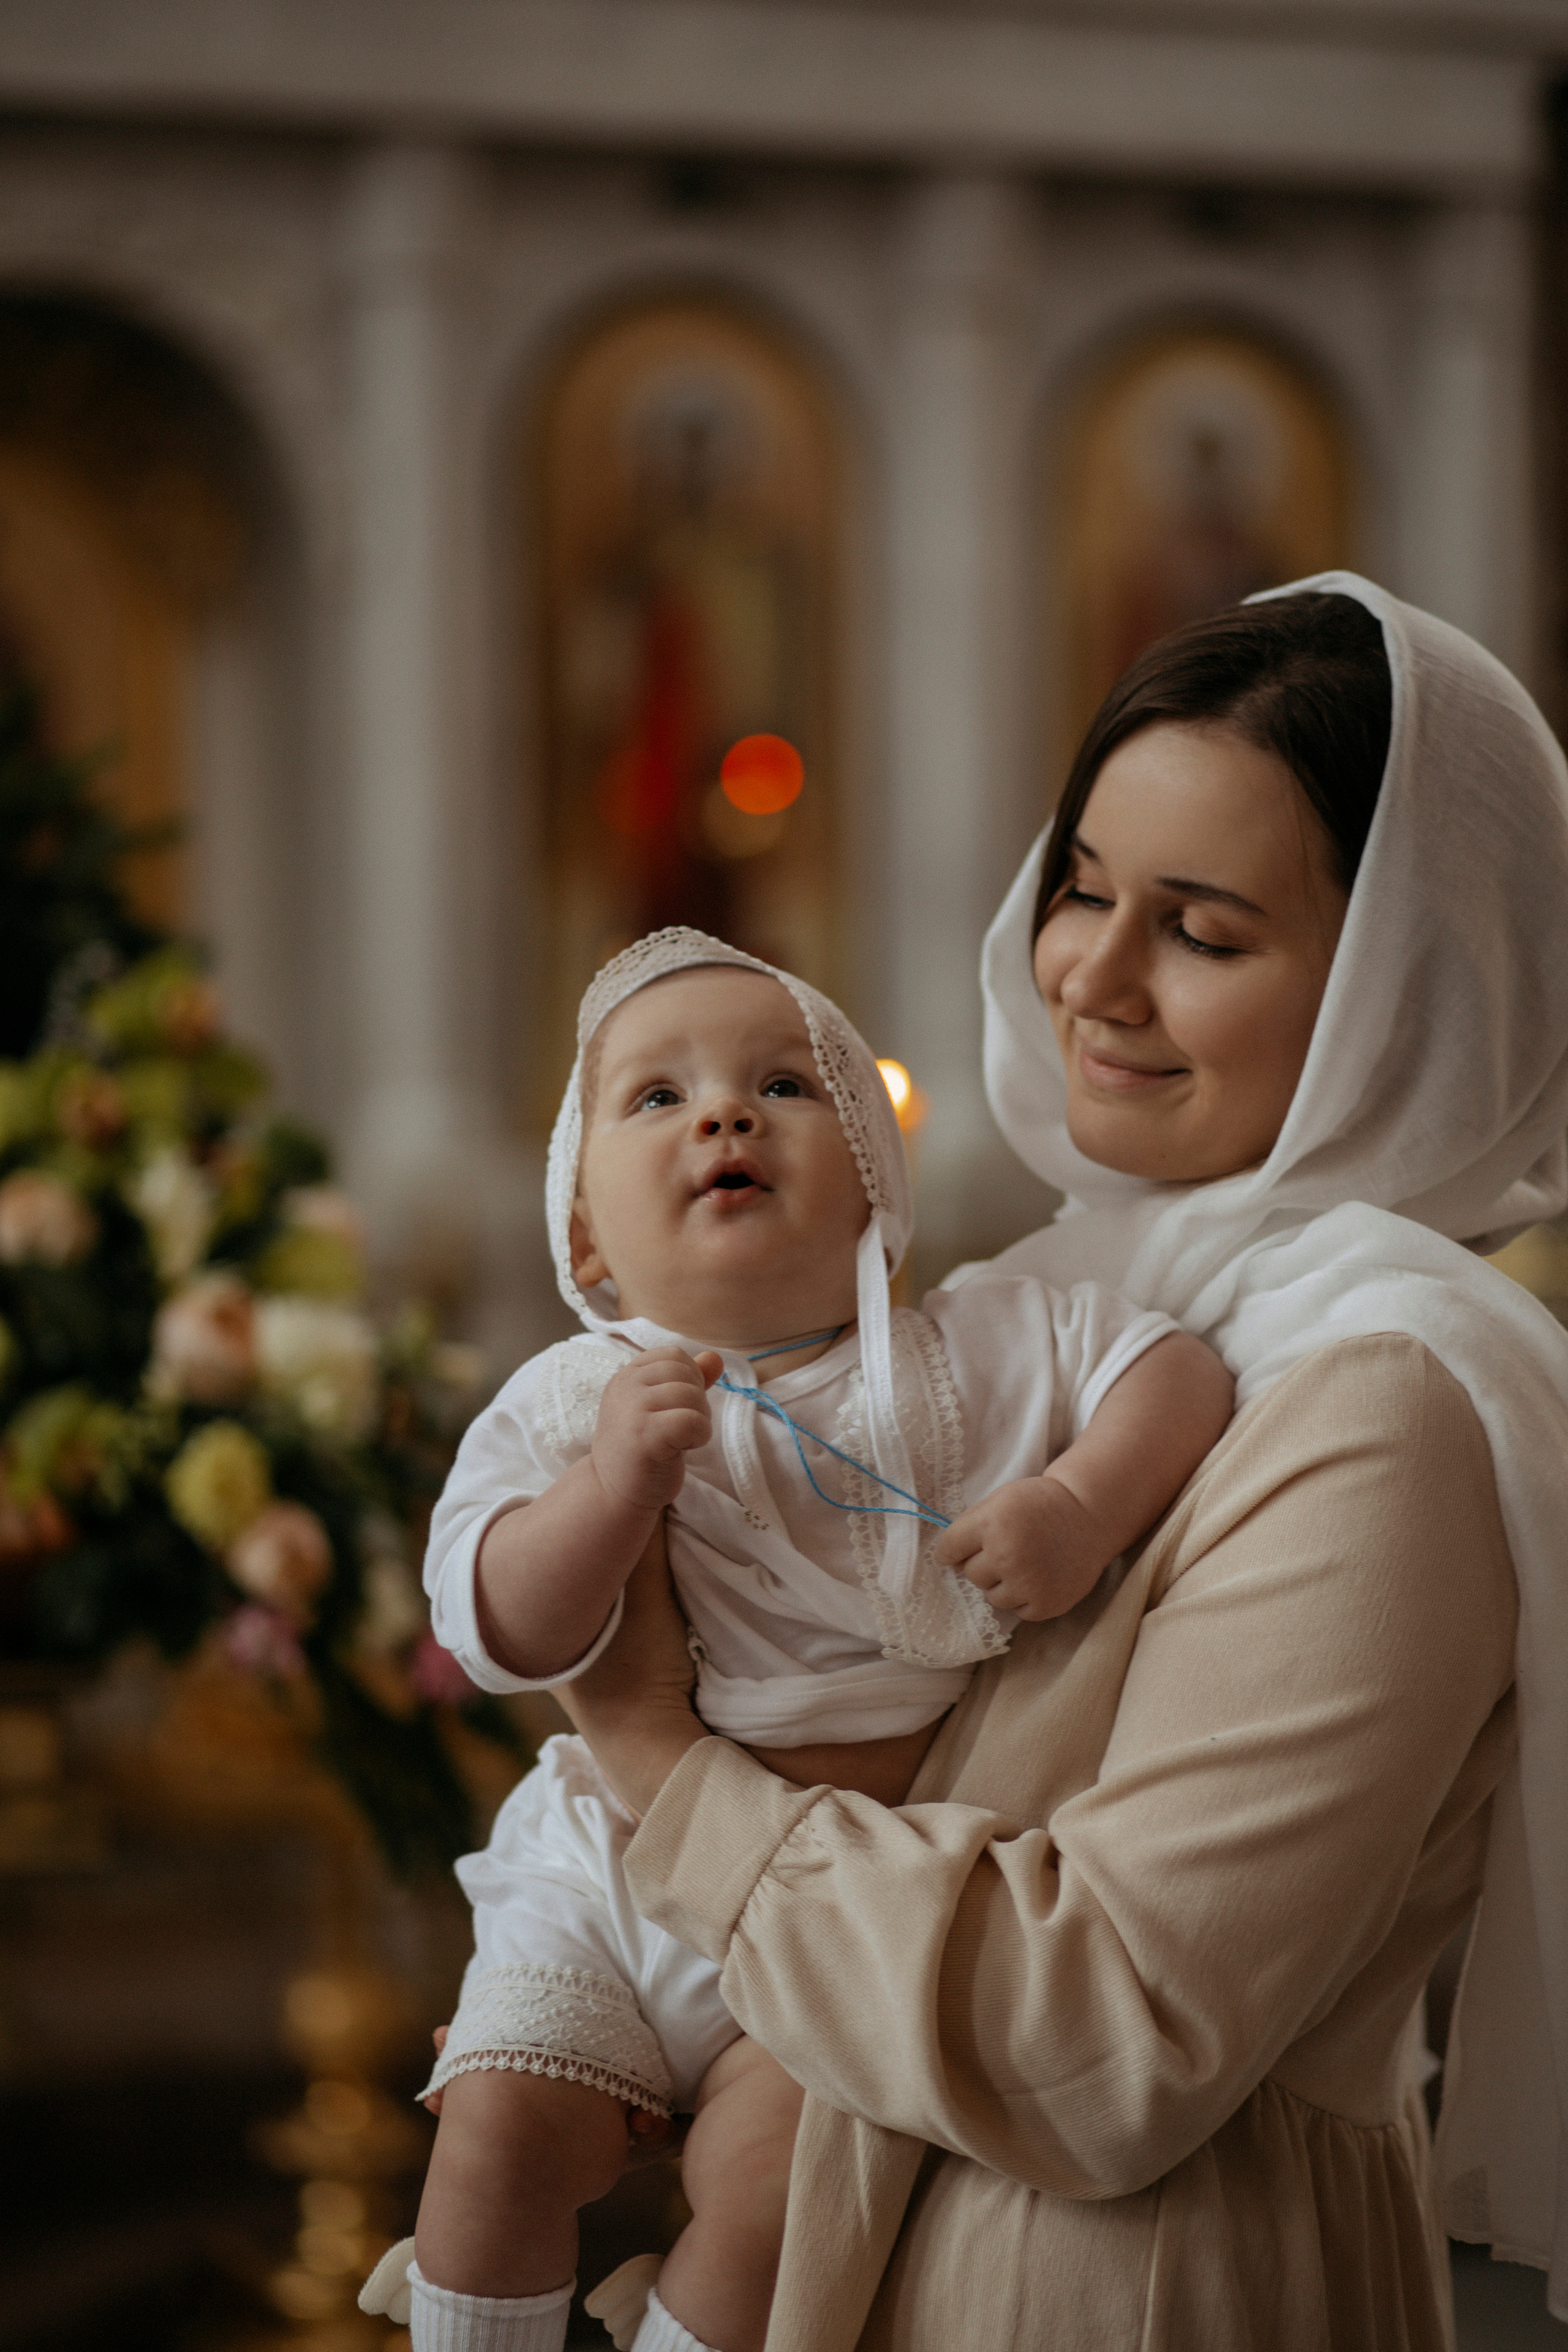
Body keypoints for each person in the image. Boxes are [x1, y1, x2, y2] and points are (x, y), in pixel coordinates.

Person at [544, 576, 1568, 2350]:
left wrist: (656, 1761)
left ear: (1401, 990)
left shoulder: (1385, 1401)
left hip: (1146, 2290)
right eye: (1085, 884)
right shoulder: (1050, 1302)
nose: (1088, 969)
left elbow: (1106, 2035)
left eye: (1207, 931)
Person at [366, 931, 1232, 2352]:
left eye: (783, 1084)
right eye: (655, 1099)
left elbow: (1170, 1371)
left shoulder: (985, 1338)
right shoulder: (567, 1399)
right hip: (615, 1873)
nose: (724, 1115)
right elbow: (494, 1624)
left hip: (854, 1896)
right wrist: (604, 1495)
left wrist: (1079, 1505)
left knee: (774, 2202)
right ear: (583, 1233)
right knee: (494, 2139)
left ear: (875, 1192)